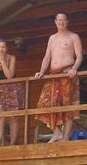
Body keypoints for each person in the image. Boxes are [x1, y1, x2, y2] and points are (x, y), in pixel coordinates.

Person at [34, 13, 83, 142]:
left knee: (67, 105)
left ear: (67, 22)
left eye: (63, 20)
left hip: (67, 73)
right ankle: (56, 133)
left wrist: (74, 68)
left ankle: (65, 137)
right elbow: (47, 57)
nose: (61, 22)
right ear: (55, 22)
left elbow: (79, 56)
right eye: (59, 20)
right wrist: (41, 71)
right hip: (53, 75)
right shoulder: (52, 38)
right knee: (44, 103)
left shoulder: (73, 36)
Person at [0, 38, 24, 146]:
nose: (1, 49)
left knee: (13, 116)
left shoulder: (11, 58)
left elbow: (9, 76)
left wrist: (3, 62)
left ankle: (12, 143)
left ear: (6, 48)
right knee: (0, 115)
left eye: (3, 47)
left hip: (13, 88)